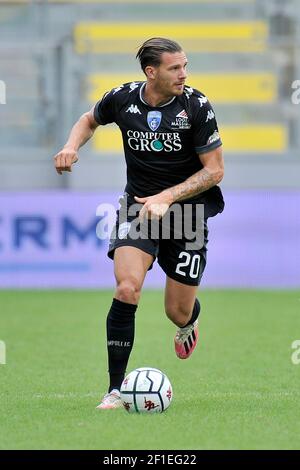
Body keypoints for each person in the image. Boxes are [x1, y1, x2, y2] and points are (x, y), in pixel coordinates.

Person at [53, 37, 224, 409]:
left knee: (176, 310)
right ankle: (114, 390)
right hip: (138, 210)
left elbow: (215, 171)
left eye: (185, 66)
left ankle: (188, 322)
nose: (184, 74)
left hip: (187, 215)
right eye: (175, 68)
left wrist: (167, 197)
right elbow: (88, 120)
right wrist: (71, 146)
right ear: (152, 72)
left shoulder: (196, 106)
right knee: (127, 288)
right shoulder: (123, 97)